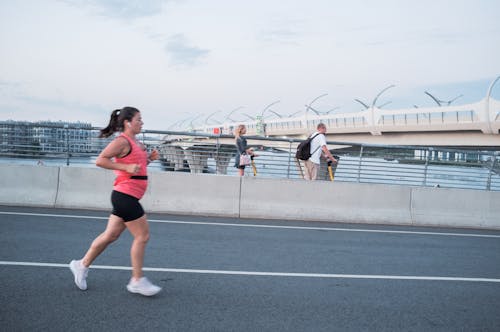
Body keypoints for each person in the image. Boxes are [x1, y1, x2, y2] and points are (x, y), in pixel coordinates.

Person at [69, 106, 161, 296]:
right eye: (139, 119)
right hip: (124, 196)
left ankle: (81, 264)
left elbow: (137, 166)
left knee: (110, 235)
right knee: (142, 236)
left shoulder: (136, 143)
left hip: (129, 195)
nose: (142, 122)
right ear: (128, 122)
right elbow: (101, 160)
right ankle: (137, 280)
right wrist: (125, 168)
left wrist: (149, 160)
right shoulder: (122, 141)